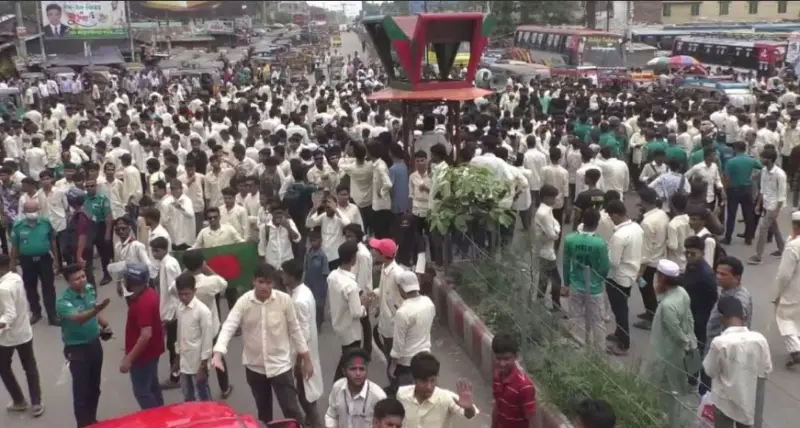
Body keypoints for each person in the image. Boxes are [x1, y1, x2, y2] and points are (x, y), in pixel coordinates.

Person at [212, 262, 312, 424]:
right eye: (261, 282)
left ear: (274, 283)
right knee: (264, 413)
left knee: (292, 411)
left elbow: (295, 330)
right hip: (255, 368)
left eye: (268, 282)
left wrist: (306, 359)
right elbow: (229, 325)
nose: (264, 286)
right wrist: (218, 353)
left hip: (280, 366)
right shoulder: (244, 302)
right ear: (254, 281)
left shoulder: (284, 300)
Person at [56, 263, 112, 427]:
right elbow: (79, 318)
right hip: (76, 348)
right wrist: (96, 310)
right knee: (81, 391)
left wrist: (104, 324)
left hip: (94, 344)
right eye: (77, 279)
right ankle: (82, 424)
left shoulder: (89, 289)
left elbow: (92, 308)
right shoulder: (63, 302)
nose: (82, 280)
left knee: (95, 387)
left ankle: (92, 420)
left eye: (83, 276)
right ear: (68, 282)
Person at [703, 296, 772, 428]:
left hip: (724, 402)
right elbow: (766, 369)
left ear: (721, 317)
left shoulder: (719, 343)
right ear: (742, 316)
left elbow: (710, 371)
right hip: (750, 402)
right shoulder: (760, 340)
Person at [639, 259, 697, 413]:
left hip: (665, 352)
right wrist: (691, 341)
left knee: (658, 385)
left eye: (657, 275)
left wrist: (686, 342)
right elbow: (689, 319)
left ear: (662, 278)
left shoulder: (667, 305)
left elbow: (676, 332)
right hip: (677, 352)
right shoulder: (682, 292)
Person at [701, 256, 753, 396]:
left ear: (737, 278)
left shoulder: (739, 299)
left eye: (723, 274)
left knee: (711, 395)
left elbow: (735, 328)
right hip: (714, 350)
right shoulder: (726, 291)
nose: (718, 277)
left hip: (723, 359)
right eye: (717, 273)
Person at [0, 253, 44, 417]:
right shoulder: (16, 278)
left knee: (3, 367)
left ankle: (19, 401)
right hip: (24, 331)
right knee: (30, 367)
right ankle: (36, 403)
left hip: (8, 336)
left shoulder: (3, 289)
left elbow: (9, 315)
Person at [281, 259, 323, 428]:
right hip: (308, 350)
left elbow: (303, 334)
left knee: (306, 396)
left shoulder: (298, 300)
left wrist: (300, 361)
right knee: (305, 392)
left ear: (291, 277)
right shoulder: (304, 291)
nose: (282, 276)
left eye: (284, 274)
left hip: (303, 353)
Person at [562, 209, 610, 349]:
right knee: (598, 321)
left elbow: (566, 264)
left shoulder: (570, 239)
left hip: (575, 284)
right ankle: (599, 351)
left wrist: (566, 282)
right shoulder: (600, 243)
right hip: (595, 288)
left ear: (582, 221)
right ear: (597, 223)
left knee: (574, 317)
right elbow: (604, 268)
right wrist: (599, 280)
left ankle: (573, 345)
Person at [120, 263, 165, 410]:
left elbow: (145, 335)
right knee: (152, 386)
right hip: (151, 352)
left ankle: (155, 419)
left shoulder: (142, 303)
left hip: (143, 356)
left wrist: (129, 358)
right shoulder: (149, 293)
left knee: (143, 392)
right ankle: (162, 415)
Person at [328, 240, 373, 381]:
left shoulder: (333, 276)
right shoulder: (351, 285)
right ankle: (338, 386)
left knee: (347, 359)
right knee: (348, 362)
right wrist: (365, 304)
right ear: (353, 259)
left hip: (339, 323)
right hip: (351, 331)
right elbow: (357, 313)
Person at [396, 352, 479, 428]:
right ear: (414, 380)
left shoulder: (446, 398)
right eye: (424, 381)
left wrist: (469, 409)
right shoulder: (401, 395)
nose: (429, 386)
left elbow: (470, 414)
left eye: (432, 380)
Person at [10, 200, 59, 325]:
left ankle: (52, 315)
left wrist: (56, 259)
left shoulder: (45, 223)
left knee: (48, 286)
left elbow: (53, 241)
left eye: (34, 210)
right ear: (24, 212)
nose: (32, 213)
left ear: (38, 210)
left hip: (44, 259)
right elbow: (14, 246)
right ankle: (36, 312)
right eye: (29, 211)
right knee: (30, 287)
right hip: (27, 260)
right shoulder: (18, 226)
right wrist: (12, 263)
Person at [605, 200, 644, 356]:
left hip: (617, 277)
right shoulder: (636, 228)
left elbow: (613, 262)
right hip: (630, 273)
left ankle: (623, 343)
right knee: (622, 307)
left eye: (610, 217)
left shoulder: (619, 236)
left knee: (620, 310)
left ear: (615, 215)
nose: (610, 220)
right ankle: (619, 333)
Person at [388, 271, 435, 393]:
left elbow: (398, 344)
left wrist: (393, 365)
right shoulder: (428, 303)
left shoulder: (402, 312)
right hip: (425, 358)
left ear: (401, 289)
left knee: (407, 397)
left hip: (407, 364)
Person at [172, 272, 214, 402]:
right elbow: (179, 334)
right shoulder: (179, 308)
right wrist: (177, 358)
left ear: (194, 291)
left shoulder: (202, 311)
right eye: (180, 294)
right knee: (187, 394)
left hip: (198, 362)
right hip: (184, 361)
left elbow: (207, 341)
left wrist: (203, 366)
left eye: (187, 294)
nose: (183, 297)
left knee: (203, 394)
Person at [324, 348, 388, 428]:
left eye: (362, 369)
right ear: (344, 371)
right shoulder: (337, 387)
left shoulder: (378, 396)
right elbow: (331, 415)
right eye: (353, 369)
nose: (358, 373)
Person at [491, 333, 537, 428]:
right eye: (498, 359)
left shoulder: (525, 386)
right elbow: (497, 406)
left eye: (506, 359)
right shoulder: (497, 376)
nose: (502, 364)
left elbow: (531, 418)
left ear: (516, 357)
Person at [773, 211, 800, 368]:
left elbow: (784, 275)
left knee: (784, 319)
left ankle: (796, 349)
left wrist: (777, 294)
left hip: (793, 290)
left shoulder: (793, 247)